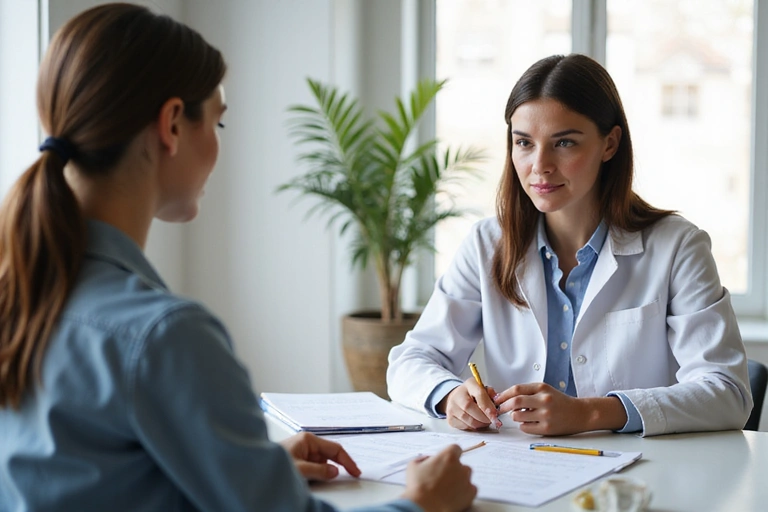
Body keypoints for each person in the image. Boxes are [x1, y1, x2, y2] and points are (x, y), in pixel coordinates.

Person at [0, 4, 476, 512]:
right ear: (172, 125)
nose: (220, 145)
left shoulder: (22, 294)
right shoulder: (163, 335)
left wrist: (251, 469)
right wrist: (422, 504)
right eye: (219, 124)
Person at [387, 54, 753, 438]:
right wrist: (450, 396)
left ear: (609, 143)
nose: (540, 165)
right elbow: (409, 361)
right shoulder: (486, 243)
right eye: (524, 143)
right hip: (520, 470)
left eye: (564, 143)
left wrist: (591, 414)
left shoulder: (677, 246)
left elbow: (727, 392)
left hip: (634, 479)